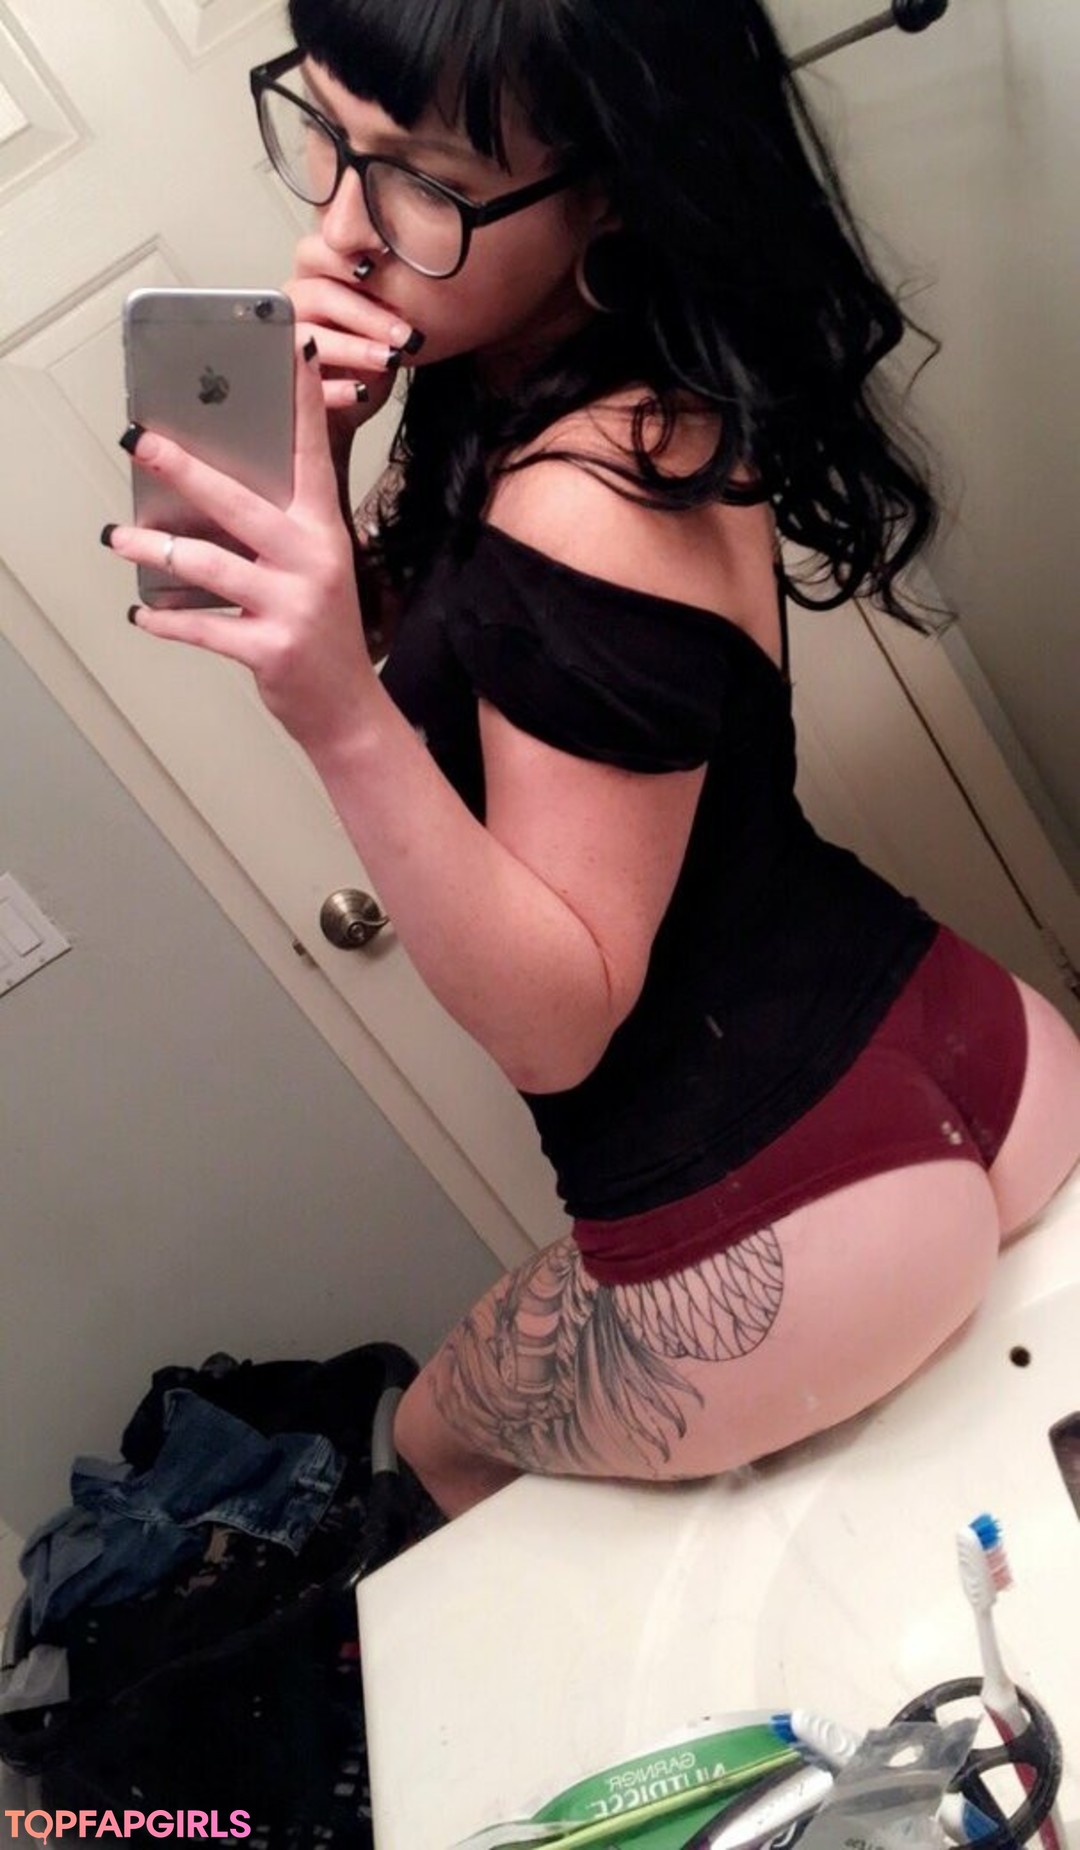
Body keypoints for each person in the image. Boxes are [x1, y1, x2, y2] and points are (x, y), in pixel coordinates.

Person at [103, 0, 1080, 1518]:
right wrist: (324, 473)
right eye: (331, 134)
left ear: (612, 186)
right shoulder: (572, 386)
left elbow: (559, 1025)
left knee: (435, 1440)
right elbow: (484, 661)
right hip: (964, 1040)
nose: (343, 227)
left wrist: (335, 709)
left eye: (421, 178)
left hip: (775, 1210)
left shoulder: (583, 494)